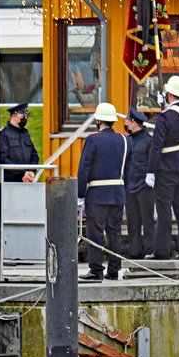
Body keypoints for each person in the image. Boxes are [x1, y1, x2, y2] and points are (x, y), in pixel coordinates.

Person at [147, 75, 179, 260]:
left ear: (169, 94)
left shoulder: (165, 117)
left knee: (164, 211)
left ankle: (161, 252)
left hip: (166, 168)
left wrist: (151, 171)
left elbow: (156, 146)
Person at [77, 103, 128, 281]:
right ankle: (114, 270)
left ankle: (96, 270)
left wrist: (80, 194)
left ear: (98, 120)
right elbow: (127, 168)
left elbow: (84, 169)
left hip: (97, 193)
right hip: (117, 193)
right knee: (114, 232)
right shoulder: (123, 139)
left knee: (96, 232)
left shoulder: (93, 139)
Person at [124, 107, 155, 262]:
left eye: (127, 121)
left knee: (147, 219)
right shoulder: (127, 140)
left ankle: (150, 250)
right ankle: (135, 252)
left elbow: (153, 163)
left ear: (134, 123)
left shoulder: (149, 141)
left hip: (144, 187)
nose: (126, 124)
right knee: (132, 221)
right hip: (129, 186)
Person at [0, 103, 38, 183]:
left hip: (27, 181)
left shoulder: (25, 133)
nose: (25, 118)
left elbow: (34, 155)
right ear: (14, 116)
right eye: (23, 116)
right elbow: (2, 159)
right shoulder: (4, 134)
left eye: (26, 116)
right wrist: (22, 173)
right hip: (10, 183)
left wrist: (31, 171)